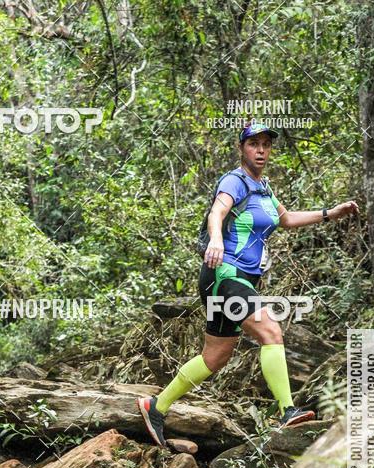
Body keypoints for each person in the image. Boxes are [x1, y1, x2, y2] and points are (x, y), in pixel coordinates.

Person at [138, 121, 359, 448]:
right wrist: (216, 240)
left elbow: (286, 220)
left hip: (235, 280)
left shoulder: (264, 188)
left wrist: (331, 213)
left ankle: (156, 406)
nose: (261, 150)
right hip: (225, 274)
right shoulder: (235, 181)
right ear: (242, 148)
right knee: (270, 330)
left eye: (266, 145)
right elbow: (218, 211)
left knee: (215, 357)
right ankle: (286, 410)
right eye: (254, 144)